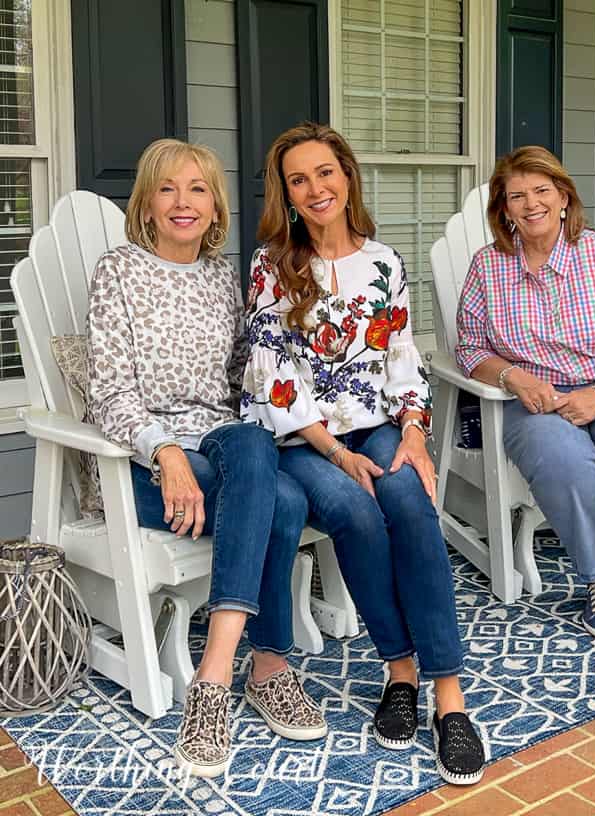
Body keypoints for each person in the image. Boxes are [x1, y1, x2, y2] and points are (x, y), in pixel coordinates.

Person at [240, 122, 485, 785]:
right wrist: (336, 453)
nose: (315, 188)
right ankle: (398, 671)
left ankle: (448, 698)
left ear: (346, 176)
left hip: (376, 421)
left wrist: (412, 430)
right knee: (355, 508)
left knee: (408, 495)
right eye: (299, 179)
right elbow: (275, 379)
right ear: (286, 195)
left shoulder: (384, 262)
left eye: (325, 172)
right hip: (301, 435)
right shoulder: (273, 265)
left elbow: (402, 358)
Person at [86, 138, 326, 780]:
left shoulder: (225, 278)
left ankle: (212, 679)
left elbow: (246, 377)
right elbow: (109, 391)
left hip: (225, 452)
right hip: (141, 468)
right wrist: (166, 455)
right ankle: (267, 667)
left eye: (197, 189)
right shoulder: (118, 272)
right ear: (147, 202)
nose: (183, 202)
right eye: (168, 189)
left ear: (216, 206)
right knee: (287, 500)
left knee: (252, 445)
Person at [456, 145, 595, 659]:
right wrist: (513, 377)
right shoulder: (488, 267)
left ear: (562, 197)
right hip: (537, 401)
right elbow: (469, 346)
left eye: (541, 191)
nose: (531, 204)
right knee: (563, 461)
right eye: (517, 196)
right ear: (503, 208)